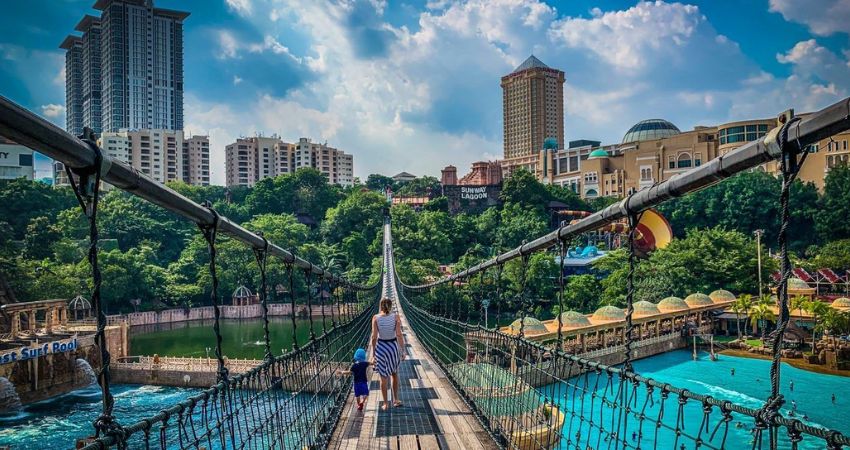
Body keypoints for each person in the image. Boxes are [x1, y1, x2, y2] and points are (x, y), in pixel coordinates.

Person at [371, 298, 406, 410]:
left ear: (380, 306)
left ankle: (385, 403)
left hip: (381, 348)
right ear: (391, 306)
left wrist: (373, 354)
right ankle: (396, 400)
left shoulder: (375, 318)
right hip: (392, 347)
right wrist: (403, 351)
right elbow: (399, 335)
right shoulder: (396, 317)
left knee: (383, 377)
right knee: (394, 374)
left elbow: (374, 337)